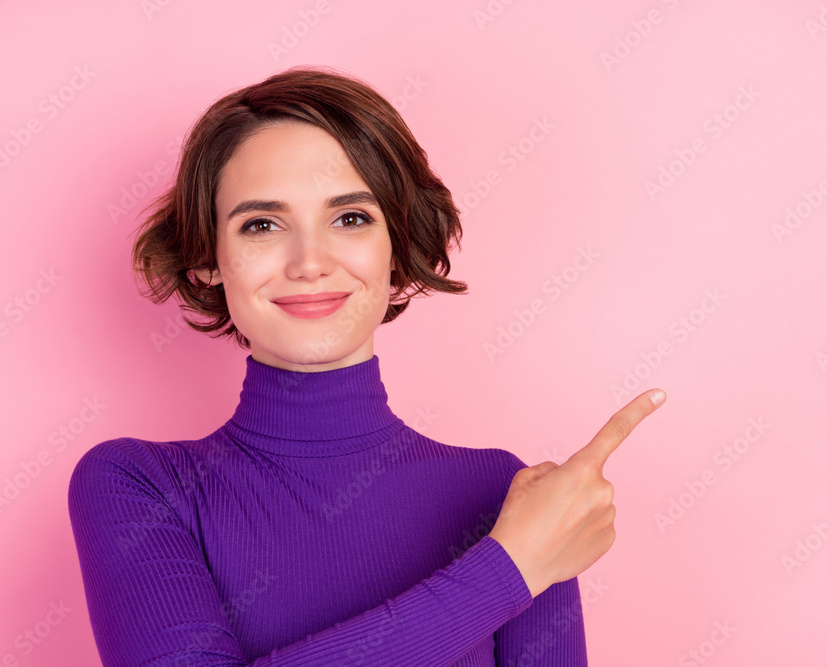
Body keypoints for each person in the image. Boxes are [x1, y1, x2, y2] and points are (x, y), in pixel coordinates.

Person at [67, 65, 666, 666]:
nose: (309, 262)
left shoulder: (512, 499)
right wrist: (508, 571)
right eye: (262, 225)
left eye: (350, 218)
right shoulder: (139, 485)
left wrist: (522, 551)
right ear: (208, 259)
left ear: (397, 247)